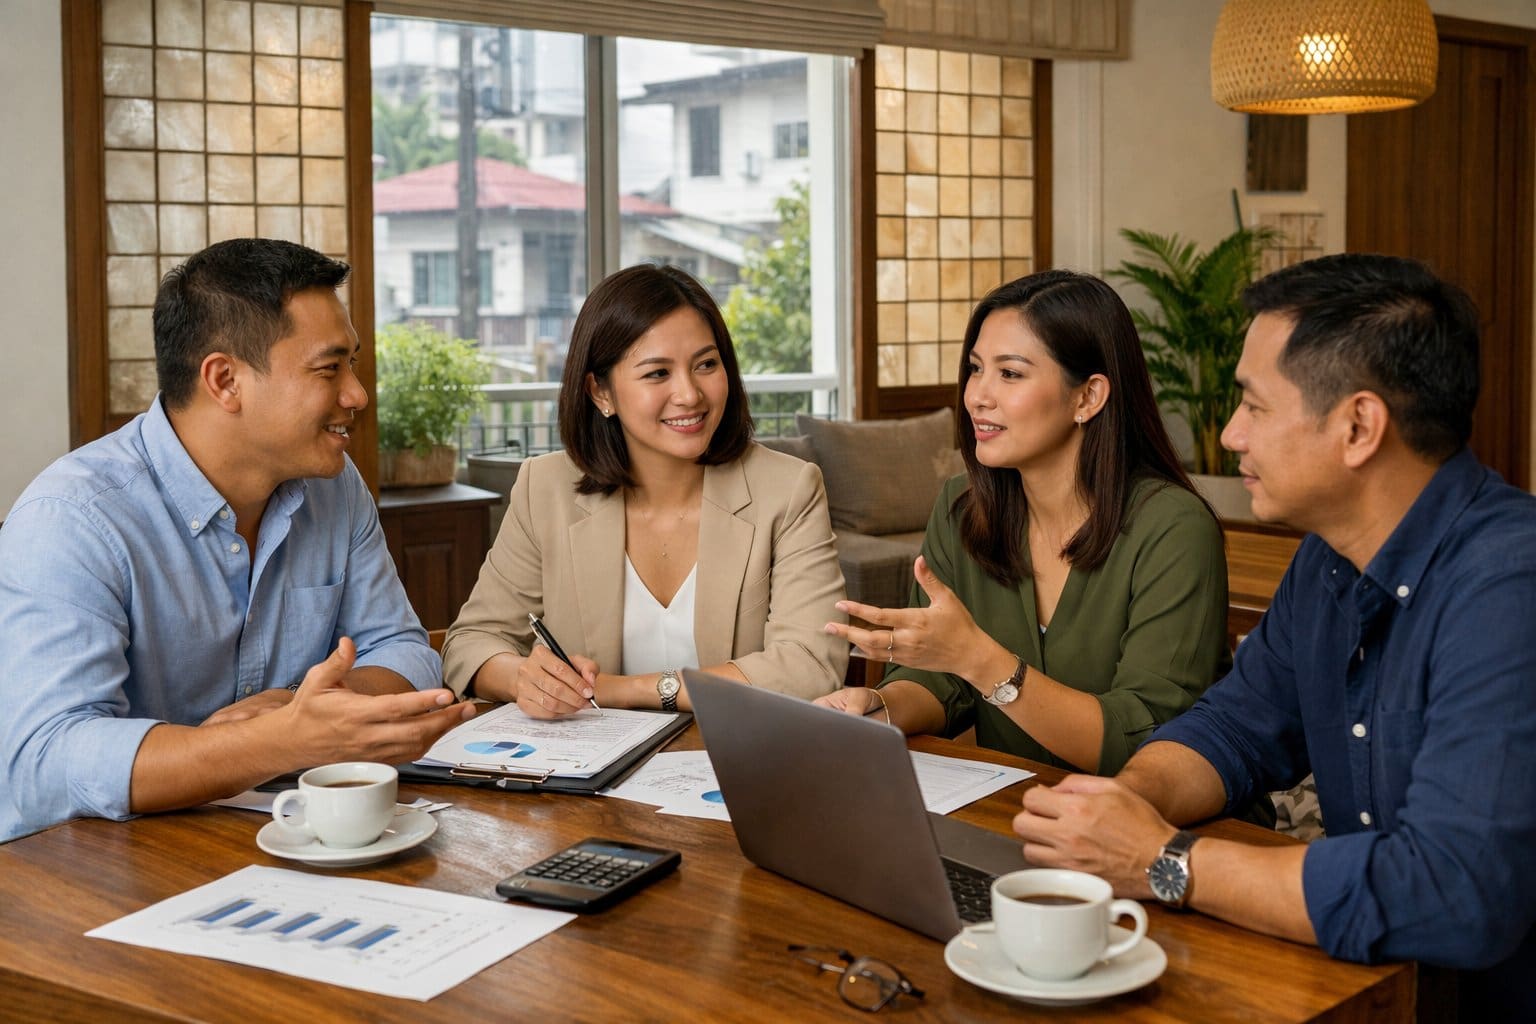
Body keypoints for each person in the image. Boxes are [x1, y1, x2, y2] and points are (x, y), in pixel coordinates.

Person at [1012, 254, 1536, 1018]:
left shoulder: (1508, 586)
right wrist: (1125, 802)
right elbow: (1239, 727)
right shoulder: (1328, 557)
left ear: (1358, 426)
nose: (1229, 435)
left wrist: (1164, 862)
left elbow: (1453, 895)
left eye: (1254, 406)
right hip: (1384, 987)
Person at [0, 238, 474, 844]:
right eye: (330, 368)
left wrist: (296, 707)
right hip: (92, 869)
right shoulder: (72, 519)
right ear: (225, 380)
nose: (357, 394)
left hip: (278, 839)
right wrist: (271, 742)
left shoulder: (334, 485)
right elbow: (48, 757)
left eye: (352, 365)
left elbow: (403, 649)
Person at [817, 269, 1229, 776]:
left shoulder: (1173, 528)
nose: (977, 396)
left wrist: (980, 658)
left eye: (1010, 374)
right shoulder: (961, 508)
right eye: (975, 369)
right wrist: (877, 708)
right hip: (1018, 808)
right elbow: (942, 685)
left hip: (1151, 829)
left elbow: (1146, 740)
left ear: (1088, 397)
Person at [441, 264, 847, 715]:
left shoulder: (788, 489)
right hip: (588, 771)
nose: (690, 394)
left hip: (733, 766)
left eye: (706, 365)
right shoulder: (546, 488)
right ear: (600, 392)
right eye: (658, 373)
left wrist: (624, 690)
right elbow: (470, 643)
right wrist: (526, 679)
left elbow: (812, 664)